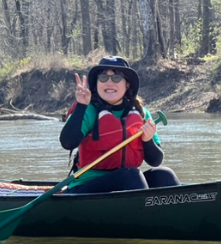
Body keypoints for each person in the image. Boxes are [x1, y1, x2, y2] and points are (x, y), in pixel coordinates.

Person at [59, 56, 179, 194]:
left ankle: (179, 213)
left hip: (128, 182)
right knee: (131, 175)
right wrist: (81, 106)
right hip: (86, 187)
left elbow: (155, 161)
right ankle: (144, 214)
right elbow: (67, 143)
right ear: (97, 83)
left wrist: (148, 140)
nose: (109, 83)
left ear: (127, 84)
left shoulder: (141, 113)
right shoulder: (88, 110)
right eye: (103, 78)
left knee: (164, 175)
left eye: (116, 78)